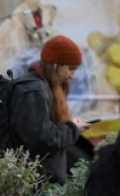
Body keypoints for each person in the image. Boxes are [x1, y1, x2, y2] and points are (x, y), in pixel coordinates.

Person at [9, 34, 90, 184]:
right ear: (54, 65)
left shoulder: (41, 86)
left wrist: (71, 125)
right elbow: (43, 138)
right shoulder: (34, 90)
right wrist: (73, 128)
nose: (73, 75)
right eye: (70, 69)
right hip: (37, 184)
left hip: (40, 181)